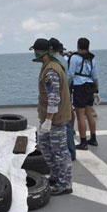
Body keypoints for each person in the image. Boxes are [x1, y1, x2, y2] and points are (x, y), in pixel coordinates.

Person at [31, 38, 73, 196]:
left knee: (60, 152)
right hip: (49, 118)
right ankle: (56, 177)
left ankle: (65, 184)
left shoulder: (51, 71)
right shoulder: (48, 66)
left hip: (55, 119)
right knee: (46, 148)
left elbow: (54, 98)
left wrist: (48, 120)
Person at [67, 37, 100, 150]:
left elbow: (71, 74)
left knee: (80, 115)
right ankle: (93, 139)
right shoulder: (92, 59)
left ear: (78, 46)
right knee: (89, 114)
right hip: (90, 86)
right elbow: (95, 76)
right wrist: (96, 90)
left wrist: (67, 87)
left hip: (79, 87)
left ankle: (83, 142)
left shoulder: (74, 58)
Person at [49, 38, 76, 161]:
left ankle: (68, 152)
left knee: (62, 124)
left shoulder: (55, 61)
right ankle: (70, 151)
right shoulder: (63, 60)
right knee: (67, 123)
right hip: (65, 92)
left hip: (59, 93)